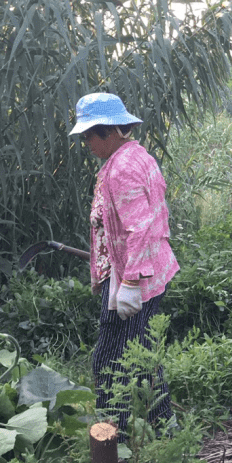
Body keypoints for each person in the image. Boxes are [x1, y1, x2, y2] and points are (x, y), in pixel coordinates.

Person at [69, 92, 176, 436]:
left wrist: (130, 284)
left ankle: (114, 436)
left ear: (110, 130)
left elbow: (141, 227)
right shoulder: (135, 156)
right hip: (138, 271)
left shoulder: (123, 169)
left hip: (137, 276)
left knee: (111, 360)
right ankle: (165, 425)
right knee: (141, 354)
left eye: (89, 135)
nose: (87, 143)